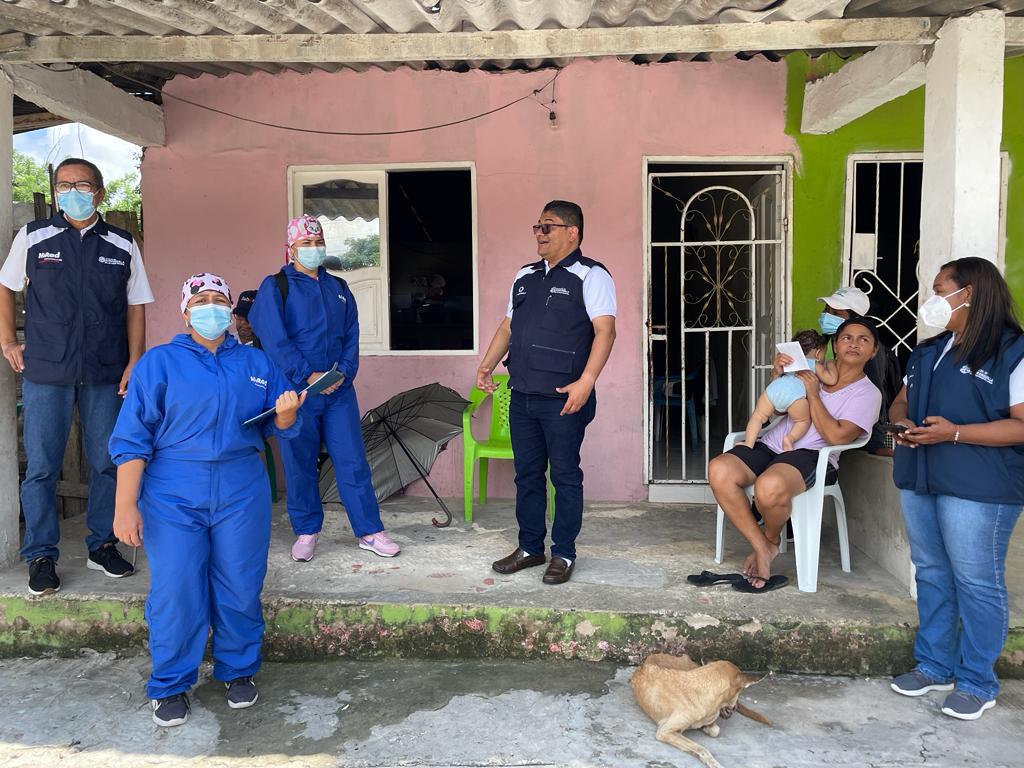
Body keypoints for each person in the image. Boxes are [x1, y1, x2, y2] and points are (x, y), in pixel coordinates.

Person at [109, 273, 304, 727]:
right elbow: (132, 440)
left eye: (219, 299)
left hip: (241, 488)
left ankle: (238, 670)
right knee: (177, 587)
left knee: (239, 582)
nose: (211, 307)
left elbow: (280, 424)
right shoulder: (158, 364)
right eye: (201, 300)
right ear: (185, 312)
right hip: (173, 491)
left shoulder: (255, 362)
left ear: (231, 310)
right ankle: (171, 682)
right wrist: (125, 505)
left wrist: (289, 414)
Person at [0, 157, 153, 595]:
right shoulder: (34, 237)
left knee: (107, 462)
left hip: (106, 371)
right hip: (47, 370)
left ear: (99, 192)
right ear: (54, 193)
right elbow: (6, 286)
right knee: (42, 468)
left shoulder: (122, 244)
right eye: (63, 185)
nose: (71, 191)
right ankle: (42, 555)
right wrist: (8, 341)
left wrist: (135, 360)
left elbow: (136, 304)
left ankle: (102, 544)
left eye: (81, 184)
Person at [888, 257, 1024, 721]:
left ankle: (976, 681)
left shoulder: (1013, 351)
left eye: (940, 288)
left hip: (979, 486)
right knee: (930, 571)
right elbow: (902, 398)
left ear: (969, 293)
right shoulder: (929, 351)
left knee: (976, 581)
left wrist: (956, 433)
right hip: (921, 475)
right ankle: (933, 664)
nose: (933, 298)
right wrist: (901, 420)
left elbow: (1021, 426)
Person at [478, 200, 616, 585]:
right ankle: (530, 547)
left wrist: (587, 381)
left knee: (566, 477)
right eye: (537, 226)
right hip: (521, 394)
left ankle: (565, 553)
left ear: (573, 232)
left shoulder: (591, 276)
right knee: (527, 475)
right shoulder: (524, 276)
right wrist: (487, 364)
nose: (539, 233)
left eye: (548, 226)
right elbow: (507, 327)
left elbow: (606, 331)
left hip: (564, 397)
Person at [249, 214, 398, 562]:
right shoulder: (276, 286)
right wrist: (307, 375)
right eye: (306, 244)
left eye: (318, 243)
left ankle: (369, 531)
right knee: (300, 462)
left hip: (338, 392)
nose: (314, 249)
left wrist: (343, 373)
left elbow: (351, 336)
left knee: (352, 461)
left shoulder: (339, 288)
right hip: (297, 393)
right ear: (290, 249)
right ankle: (306, 531)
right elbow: (274, 339)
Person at [708, 318, 882, 592]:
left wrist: (814, 394)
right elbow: (780, 409)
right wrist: (780, 377)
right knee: (719, 469)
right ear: (834, 344)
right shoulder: (811, 367)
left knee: (769, 487)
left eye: (864, 340)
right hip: (775, 444)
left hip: (813, 455)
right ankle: (762, 547)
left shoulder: (867, 393)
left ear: (873, 351)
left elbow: (836, 436)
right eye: (847, 337)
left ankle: (770, 539)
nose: (854, 344)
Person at [819, 286, 902, 454]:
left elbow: (873, 402)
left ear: (856, 319)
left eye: (837, 314)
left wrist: (876, 445)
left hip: (845, 433)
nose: (828, 317)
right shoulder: (826, 343)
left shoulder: (865, 355)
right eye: (827, 311)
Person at [743, 330, 838, 451]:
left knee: (757, 416)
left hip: (774, 389)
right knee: (802, 421)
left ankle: (748, 444)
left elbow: (779, 374)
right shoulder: (814, 364)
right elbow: (831, 379)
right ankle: (789, 439)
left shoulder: (790, 362)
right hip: (795, 396)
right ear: (818, 353)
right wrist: (830, 364)